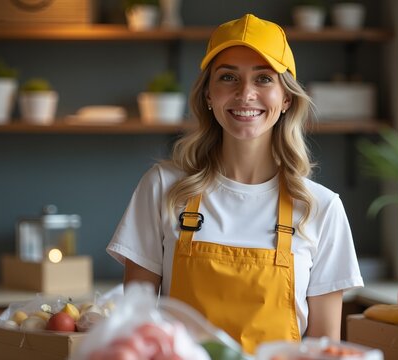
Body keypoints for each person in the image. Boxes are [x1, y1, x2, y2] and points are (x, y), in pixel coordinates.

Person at [107, 13, 364, 354]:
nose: (246, 94)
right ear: (209, 95)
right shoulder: (163, 188)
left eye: (263, 79)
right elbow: (135, 329)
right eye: (228, 77)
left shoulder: (320, 207)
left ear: (286, 98)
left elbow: (324, 350)